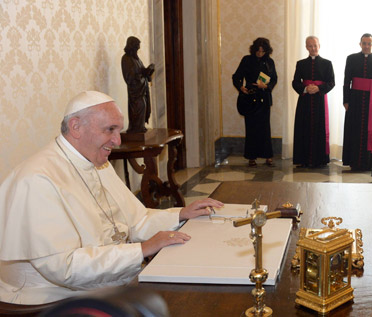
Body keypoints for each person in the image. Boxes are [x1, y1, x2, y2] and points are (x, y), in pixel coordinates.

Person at [0, 91, 224, 304]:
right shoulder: (37, 180)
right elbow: (64, 268)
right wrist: (141, 250)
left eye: (119, 130)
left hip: (106, 281)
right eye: (110, 130)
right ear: (76, 127)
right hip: (53, 296)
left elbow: (137, 220)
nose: (117, 141)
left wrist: (180, 215)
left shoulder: (95, 161)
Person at [232, 37, 278, 167]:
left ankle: (268, 156)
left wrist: (267, 87)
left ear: (267, 51)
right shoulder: (247, 60)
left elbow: (274, 78)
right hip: (250, 98)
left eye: (263, 51)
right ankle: (251, 156)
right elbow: (236, 76)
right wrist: (241, 87)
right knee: (251, 128)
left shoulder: (269, 62)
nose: (260, 53)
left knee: (264, 128)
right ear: (254, 49)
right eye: (258, 51)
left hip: (264, 98)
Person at [292, 36, 335, 168]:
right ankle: (303, 158)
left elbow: (331, 82)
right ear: (306, 47)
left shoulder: (327, 63)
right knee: (303, 127)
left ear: (319, 46)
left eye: (315, 45)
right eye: (310, 46)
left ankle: (319, 159)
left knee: (319, 128)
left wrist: (318, 88)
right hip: (304, 100)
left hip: (319, 100)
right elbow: (295, 82)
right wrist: (305, 88)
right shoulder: (300, 64)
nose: (313, 48)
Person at [342, 33, 372, 172]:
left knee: (371, 131)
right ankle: (354, 161)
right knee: (355, 130)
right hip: (355, 99)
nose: (366, 46)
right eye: (364, 43)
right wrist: (346, 100)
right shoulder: (351, 58)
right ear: (360, 44)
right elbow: (347, 81)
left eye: (369, 43)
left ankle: (369, 163)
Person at [121, 36, 155, 133]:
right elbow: (129, 77)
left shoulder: (137, 59)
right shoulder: (126, 59)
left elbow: (142, 71)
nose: (137, 50)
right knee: (138, 108)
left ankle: (140, 127)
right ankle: (136, 128)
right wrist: (141, 74)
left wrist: (149, 70)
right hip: (135, 92)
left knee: (143, 108)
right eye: (136, 47)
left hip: (142, 90)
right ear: (132, 46)